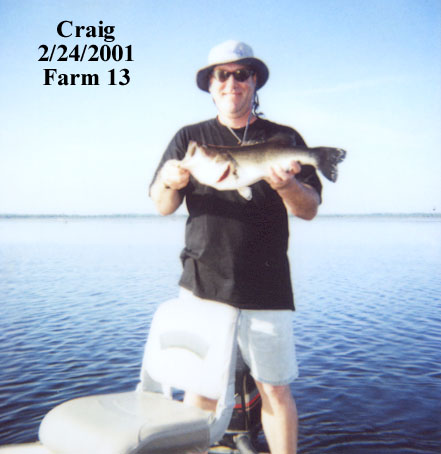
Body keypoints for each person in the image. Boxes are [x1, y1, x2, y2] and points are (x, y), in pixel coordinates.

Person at [149, 40, 322, 454]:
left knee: (274, 389)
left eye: (241, 74)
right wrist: (170, 181)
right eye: (221, 75)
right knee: (200, 389)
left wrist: (288, 185)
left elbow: (309, 209)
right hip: (203, 283)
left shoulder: (283, 138)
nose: (231, 83)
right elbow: (162, 205)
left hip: (267, 286)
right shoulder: (190, 138)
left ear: (254, 81)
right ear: (210, 85)